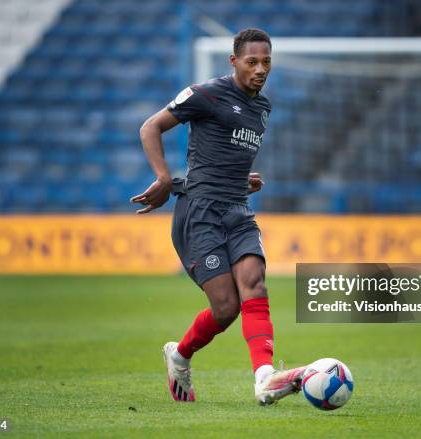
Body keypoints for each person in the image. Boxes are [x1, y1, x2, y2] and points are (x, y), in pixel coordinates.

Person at [130, 28, 305, 405]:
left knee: (255, 283)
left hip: (238, 209)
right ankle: (179, 354)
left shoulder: (263, 107)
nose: (260, 69)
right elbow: (150, 127)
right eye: (252, 62)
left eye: (266, 62)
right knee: (225, 308)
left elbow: (222, 152)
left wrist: (240, 180)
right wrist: (163, 177)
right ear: (234, 62)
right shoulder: (205, 94)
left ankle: (264, 378)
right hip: (200, 213)